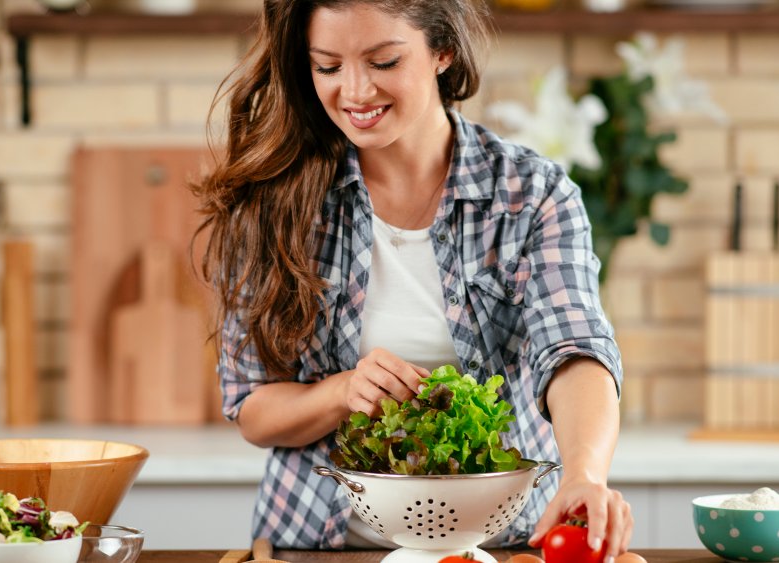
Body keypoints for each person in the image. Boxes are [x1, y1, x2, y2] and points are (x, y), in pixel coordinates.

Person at [192, 0, 632, 559]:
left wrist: (585, 473)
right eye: (328, 67)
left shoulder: (532, 194)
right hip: (325, 546)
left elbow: (573, 350)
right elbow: (252, 408)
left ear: (442, 50)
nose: (353, 92)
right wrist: (341, 392)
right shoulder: (272, 201)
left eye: (382, 62)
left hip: (504, 545)